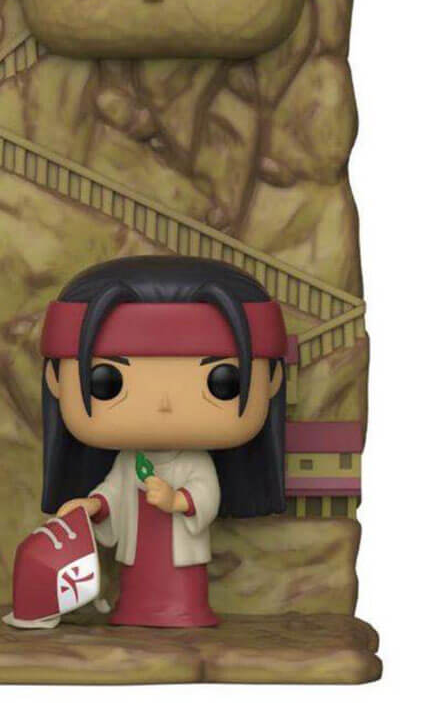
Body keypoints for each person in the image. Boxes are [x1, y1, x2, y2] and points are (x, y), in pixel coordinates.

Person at [40, 255, 287, 627]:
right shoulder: (129, 460)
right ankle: (135, 609)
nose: (165, 404)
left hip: (180, 554)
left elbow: (206, 493)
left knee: (180, 587)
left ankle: (183, 610)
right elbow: (113, 492)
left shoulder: (193, 462)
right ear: (55, 380)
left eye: (222, 382)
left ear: (272, 381)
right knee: (137, 584)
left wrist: (177, 500)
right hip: (138, 550)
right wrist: (92, 505)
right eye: (108, 382)